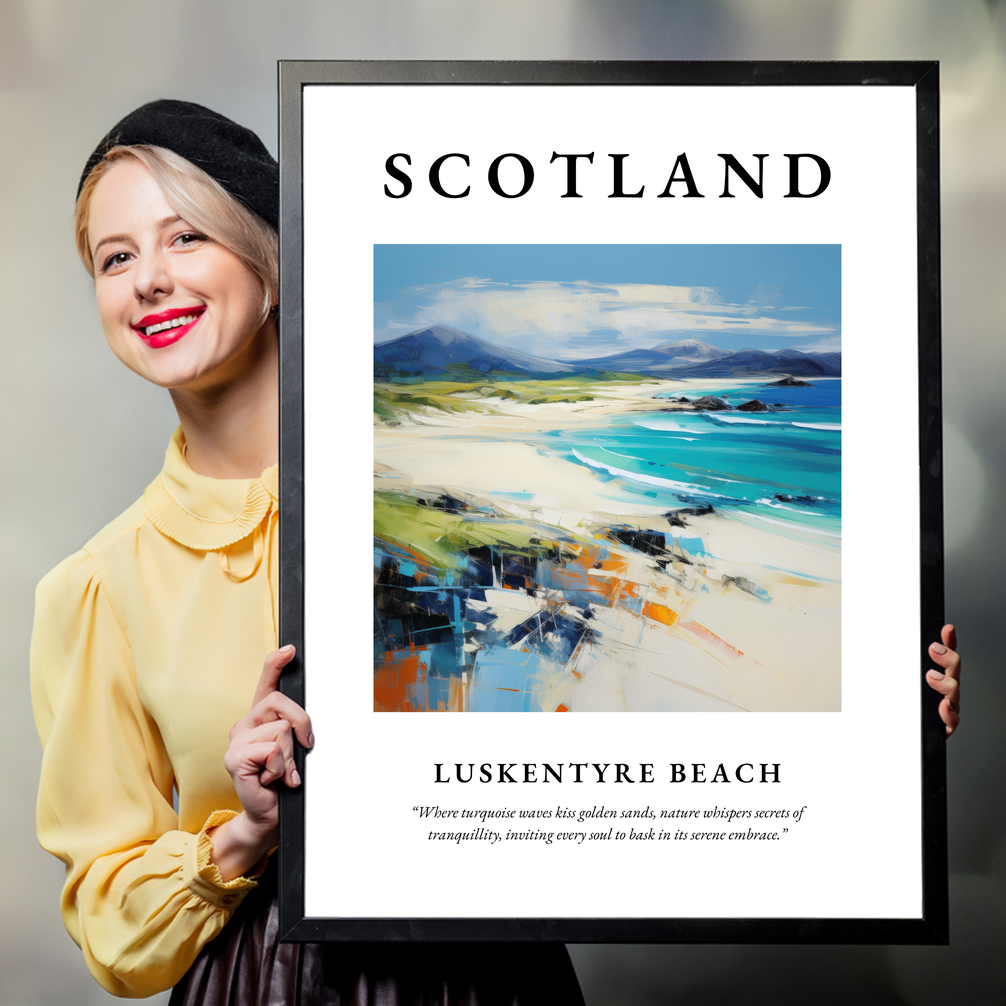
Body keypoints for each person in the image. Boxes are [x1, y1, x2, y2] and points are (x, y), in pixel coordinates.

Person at [30, 100, 585, 1004]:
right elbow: (110, 924)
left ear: (273, 264)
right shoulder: (97, 587)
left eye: (185, 239)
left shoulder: (456, 497)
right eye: (116, 257)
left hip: (493, 973)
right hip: (263, 981)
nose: (148, 281)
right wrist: (245, 832)